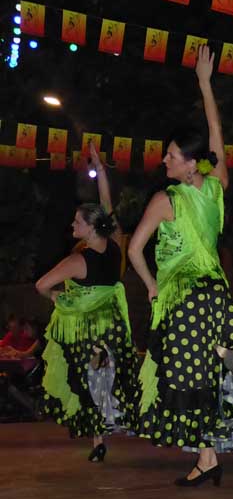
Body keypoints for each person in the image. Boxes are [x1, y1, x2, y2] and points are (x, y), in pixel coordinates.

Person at [128, 45, 233, 487]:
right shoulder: (215, 187)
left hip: (185, 297)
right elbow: (216, 136)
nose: (163, 160)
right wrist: (206, 85)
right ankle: (209, 455)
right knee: (214, 365)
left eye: (170, 155)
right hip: (215, 294)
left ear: (189, 164)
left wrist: (151, 286)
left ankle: (209, 455)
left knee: (187, 376)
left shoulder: (165, 200)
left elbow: (133, 250)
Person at [35, 186, 139, 461]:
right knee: (106, 380)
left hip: (89, 332)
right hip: (113, 327)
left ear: (92, 227)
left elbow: (41, 285)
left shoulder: (77, 260)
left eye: (78, 221)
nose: (72, 224)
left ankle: (98, 437)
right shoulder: (115, 245)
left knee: (89, 382)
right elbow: (108, 207)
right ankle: (100, 436)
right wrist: (102, 174)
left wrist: (57, 295)